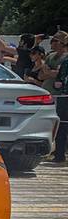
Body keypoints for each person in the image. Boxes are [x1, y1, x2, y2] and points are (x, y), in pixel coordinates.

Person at [49, 30, 68, 163]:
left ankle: (60, 154)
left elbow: (59, 78)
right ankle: (59, 154)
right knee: (62, 125)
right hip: (63, 95)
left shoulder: (65, 60)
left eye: (56, 41)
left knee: (62, 126)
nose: (53, 43)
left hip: (64, 96)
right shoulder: (60, 59)